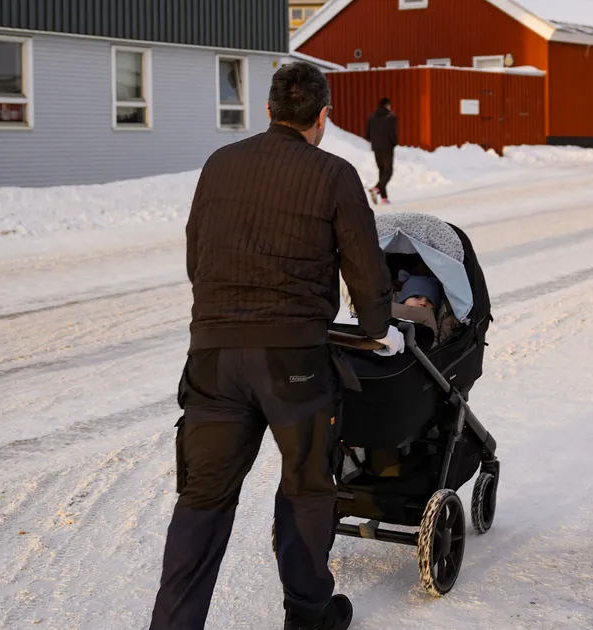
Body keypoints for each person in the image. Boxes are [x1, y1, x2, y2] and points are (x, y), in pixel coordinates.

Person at [150, 61, 405, 630]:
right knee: (307, 488)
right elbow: (367, 274)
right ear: (322, 117)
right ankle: (308, 615)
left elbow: (198, 257)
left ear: (267, 111)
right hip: (294, 363)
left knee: (202, 500)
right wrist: (377, 326)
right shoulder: (335, 175)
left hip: (213, 358)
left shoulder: (219, 165)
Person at [365, 97, 398, 204]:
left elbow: (368, 134)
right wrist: (394, 143)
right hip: (387, 147)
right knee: (388, 171)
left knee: (382, 170)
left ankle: (384, 198)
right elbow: (393, 134)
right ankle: (376, 189)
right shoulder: (391, 117)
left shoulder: (372, 117)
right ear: (387, 105)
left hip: (376, 147)